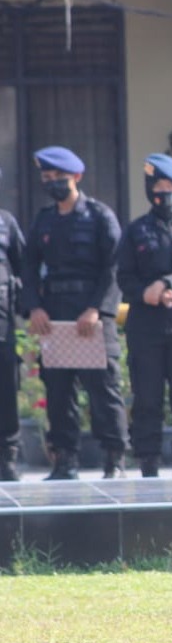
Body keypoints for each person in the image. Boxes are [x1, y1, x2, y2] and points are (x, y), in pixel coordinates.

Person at [22, 146, 129, 480]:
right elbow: (28, 267)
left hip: (92, 316)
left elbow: (115, 267)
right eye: (47, 177)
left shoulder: (99, 216)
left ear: (77, 177)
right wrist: (34, 307)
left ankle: (114, 460)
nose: (53, 183)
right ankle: (65, 460)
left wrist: (97, 309)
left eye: (59, 177)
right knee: (58, 390)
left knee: (103, 391)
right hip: (55, 316)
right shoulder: (44, 220)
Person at [116, 153, 172, 478]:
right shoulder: (136, 231)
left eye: (171, 187)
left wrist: (170, 283)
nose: (165, 193)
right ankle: (149, 465)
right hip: (147, 326)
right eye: (159, 187)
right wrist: (145, 292)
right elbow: (123, 278)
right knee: (148, 399)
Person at [0, 166, 25, 481]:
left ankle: (8, 458)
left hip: (3, 327)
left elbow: (23, 268)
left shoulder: (6, 222)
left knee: (5, 392)